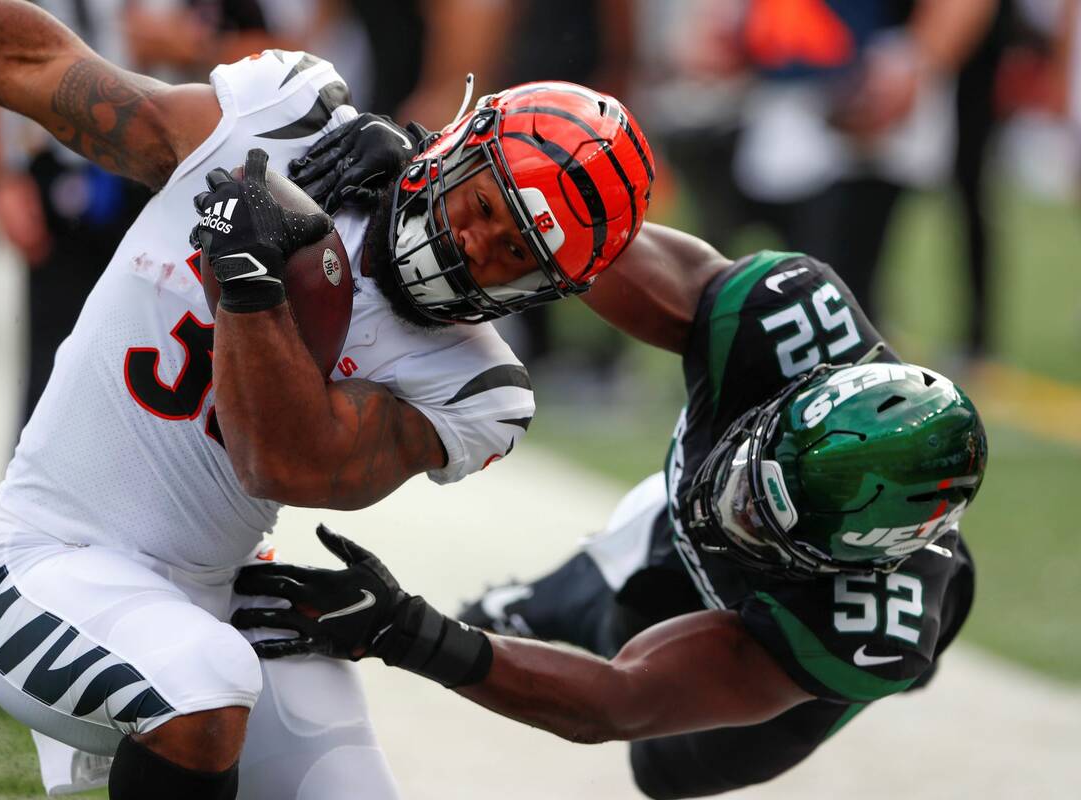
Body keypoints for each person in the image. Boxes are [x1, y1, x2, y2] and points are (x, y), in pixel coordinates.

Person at [0, 1, 655, 797]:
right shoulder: (289, 114)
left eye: (518, 258)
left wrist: (250, 288)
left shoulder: (480, 387)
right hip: (44, 562)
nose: (475, 245)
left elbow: (283, 462)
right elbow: (37, 67)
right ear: (459, 147)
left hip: (219, 600)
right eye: (487, 207)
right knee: (204, 681)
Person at [231, 120, 984, 796]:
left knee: (663, 768)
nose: (734, 507)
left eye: (765, 518)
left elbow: (619, 701)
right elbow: (573, 243)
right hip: (668, 521)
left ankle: (570, 604)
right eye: (757, 469)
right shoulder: (781, 322)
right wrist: (444, 168)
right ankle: (550, 600)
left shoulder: (868, 622)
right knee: (618, 574)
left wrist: (407, 633)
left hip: (779, 624)